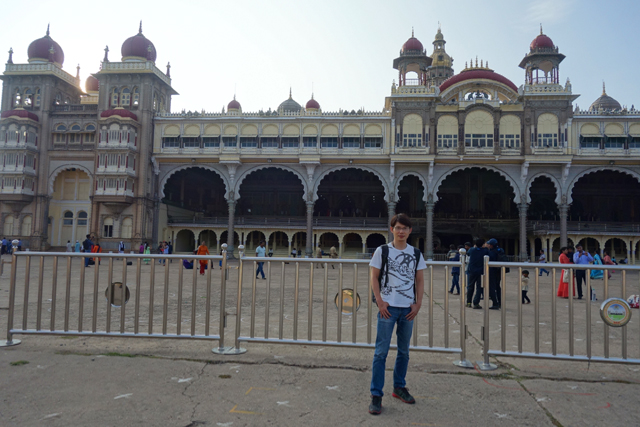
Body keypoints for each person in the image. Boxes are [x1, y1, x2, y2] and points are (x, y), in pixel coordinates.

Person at [369, 214, 426, 415]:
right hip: (388, 308)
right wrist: (379, 301)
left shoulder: (416, 253)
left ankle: (399, 387)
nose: (401, 231)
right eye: (398, 227)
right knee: (381, 352)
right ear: (392, 229)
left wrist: (418, 304)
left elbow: (420, 280)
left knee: (404, 352)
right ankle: (376, 394)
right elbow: (374, 277)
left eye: (405, 228)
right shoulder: (382, 251)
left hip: (407, 309)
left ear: (410, 231)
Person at [466, 238, 488, 309]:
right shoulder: (485, 251)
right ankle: (476, 303)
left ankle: (468, 302)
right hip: (481, 271)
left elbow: (468, 253)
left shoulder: (472, 250)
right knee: (479, 287)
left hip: (472, 271)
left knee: (470, 287)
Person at [486, 238, 502, 310]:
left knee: (491, 287)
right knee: (498, 287)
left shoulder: (491, 252)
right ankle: (500, 302)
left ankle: (495, 303)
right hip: (499, 270)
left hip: (492, 271)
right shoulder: (500, 250)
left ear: (491, 245)